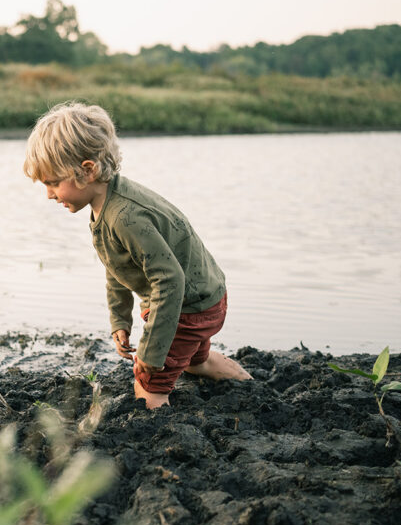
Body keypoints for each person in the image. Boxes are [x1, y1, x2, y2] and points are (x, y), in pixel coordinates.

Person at [23, 102, 251, 409]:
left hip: (190, 307)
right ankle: (251, 389)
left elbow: (170, 281)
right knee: (196, 362)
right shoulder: (106, 202)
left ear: (87, 171)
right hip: (204, 296)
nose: (49, 194)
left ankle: (163, 431)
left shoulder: (125, 216)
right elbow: (116, 264)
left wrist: (150, 352)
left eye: (53, 183)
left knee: (148, 385)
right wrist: (120, 320)